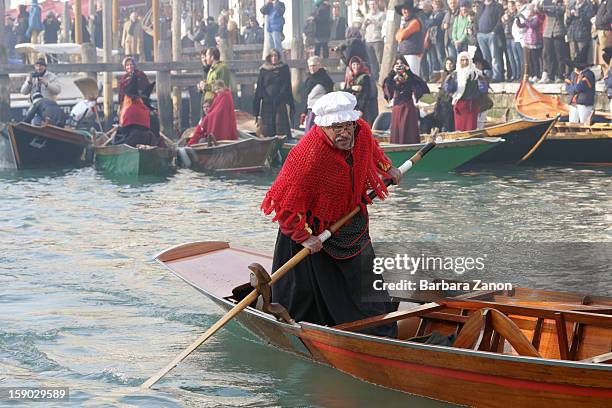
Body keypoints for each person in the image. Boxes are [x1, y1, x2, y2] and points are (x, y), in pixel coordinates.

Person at [262, 91, 400, 338]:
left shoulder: (361, 132)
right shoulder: (306, 156)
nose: (345, 133)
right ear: (324, 127)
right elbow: (285, 204)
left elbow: (373, 151)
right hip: (313, 232)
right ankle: (312, 331)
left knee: (367, 281)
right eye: (337, 128)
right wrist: (303, 237)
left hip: (351, 220)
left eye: (347, 125)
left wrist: (388, 168)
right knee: (310, 294)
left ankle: (377, 329)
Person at [383, 56, 430, 144]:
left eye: (402, 64)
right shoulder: (391, 78)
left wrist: (409, 72)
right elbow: (388, 89)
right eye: (397, 64)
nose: (400, 66)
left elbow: (422, 87)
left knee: (409, 132)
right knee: (397, 132)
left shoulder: (410, 77)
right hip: (397, 107)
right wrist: (393, 73)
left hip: (408, 107)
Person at [253, 49, 294, 138]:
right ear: (269, 58)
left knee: (280, 126)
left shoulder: (284, 68)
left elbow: (286, 84)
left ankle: (283, 142)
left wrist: (280, 97)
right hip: (267, 102)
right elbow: (260, 87)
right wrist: (257, 108)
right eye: (272, 56)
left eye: (275, 56)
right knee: (268, 128)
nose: (274, 58)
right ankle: (269, 142)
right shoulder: (264, 70)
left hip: (280, 100)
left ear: (279, 57)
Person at [444, 51, 488, 131]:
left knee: (471, 128)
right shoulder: (455, 74)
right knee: (460, 129)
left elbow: (483, 90)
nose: (465, 62)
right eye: (462, 60)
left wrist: (482, 82)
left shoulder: (476, 74)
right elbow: (450, 89)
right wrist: (447, 82)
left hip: (472, 105)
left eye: (466, 60)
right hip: (460, 106)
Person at [188, 80, 238, 145]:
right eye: (216, 89)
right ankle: (191, 143)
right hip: (211, 117)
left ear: (223, 87)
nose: (217, 91)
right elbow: (214, 108)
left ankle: (192, 143)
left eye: (219, 89)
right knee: (202, 124)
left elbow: (220, 110)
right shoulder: (218, 96)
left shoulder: (226, 96)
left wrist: (209, 117)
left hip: (224, 120)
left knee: (205, 122)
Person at [303, 56, 334, 132]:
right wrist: (304, 111)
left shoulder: (325, 78)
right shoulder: (309, 79)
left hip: (321, 110)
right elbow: (306, 96)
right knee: (309, 131)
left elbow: (330, 94)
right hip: (310, 109)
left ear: (319, 66)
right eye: (310, 66)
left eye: (314, 65)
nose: (312, 68)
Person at [538, 0, 567, 83]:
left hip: (558, 31)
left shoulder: (561, 4)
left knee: (559, 55)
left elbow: (560, 10)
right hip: (548, 32)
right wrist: (541, 3)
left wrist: (552, 6)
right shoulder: (547, 3)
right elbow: (540, 9)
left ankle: (560, 75)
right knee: (549, 55)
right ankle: (550, 75)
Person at [476, 0, 504, 82]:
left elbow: (500, 20)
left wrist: (494, 31)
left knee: (495, 56)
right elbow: (476, 19)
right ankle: (488, 75)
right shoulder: (481, 6)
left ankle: (496, 76)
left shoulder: (497, 6)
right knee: (485, 57)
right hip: (481, 35)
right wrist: (477, 32)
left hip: (492, 34)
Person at [395, 0, 425, 76]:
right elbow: (397, 36)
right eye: (403, 9)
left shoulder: (415, 22)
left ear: (411, 10)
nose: (404, 11)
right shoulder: (405, 23)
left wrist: (401, 33)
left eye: (406, 9)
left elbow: (402, 35)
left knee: (413, 76)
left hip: (413, 54)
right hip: (404, 53)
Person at [515, 4, 544, 82]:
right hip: (528, 42)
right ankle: (532, 74)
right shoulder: (529, 19)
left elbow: (532, 25)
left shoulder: (537, 18)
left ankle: (537, 75)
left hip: (535, 41)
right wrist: (518, 20)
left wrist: (525, 20)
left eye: (529, 10)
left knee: (535, 59)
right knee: (530, 59)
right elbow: (522, 25)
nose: (528, 12)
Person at [343, 56, 373, 125]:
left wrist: (361, 109)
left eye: (357, 64)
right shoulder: (350, 78)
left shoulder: (364, 77)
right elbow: (345, 91)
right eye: (354, 64)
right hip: (351, 107)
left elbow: (366, 94)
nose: (356, 66)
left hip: (361, 108)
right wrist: (352, 88)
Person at [566, 0, 595, 65]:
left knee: (582, 56)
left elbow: (590, 19)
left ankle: (582, 72)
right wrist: (569, 16)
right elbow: (567, 22)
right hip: (572, 34)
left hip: (582, 35)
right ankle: (574, 73)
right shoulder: (571, 4)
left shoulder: (588, 5)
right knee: (573, 56)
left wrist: (580, 15)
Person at [433, 57, 456, 132]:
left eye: (450, 63)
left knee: (449, 121)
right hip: (442, 100)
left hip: (451, 101)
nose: (448, 65)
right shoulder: (444, 74)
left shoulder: (456, 75)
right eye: (447, 63)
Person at [364, 0, 385, 77]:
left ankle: (382, 75)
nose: (372, 6)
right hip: (368, 40)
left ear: (376, 5)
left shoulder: (382, 14)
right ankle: (374, 76)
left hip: (377, 40)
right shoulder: (367, 15)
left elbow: (383, 25)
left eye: (373, 4)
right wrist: (365, 24)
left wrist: (373, 21)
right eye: (370, 4)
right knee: (371, 60)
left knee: (380, 60)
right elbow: (363, 28)